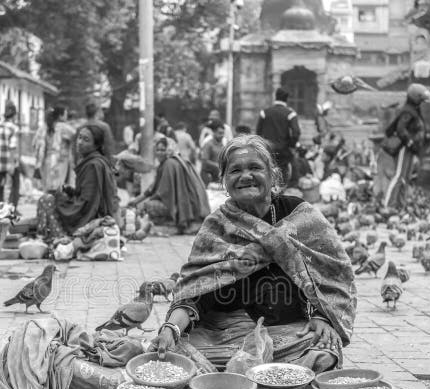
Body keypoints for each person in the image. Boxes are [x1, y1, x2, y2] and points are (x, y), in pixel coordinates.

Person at [150, 134, 356, 373]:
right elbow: (194, 291)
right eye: (235, 170)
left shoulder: (299, 214)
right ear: (224, 181)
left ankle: (236, 376)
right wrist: (171, 329)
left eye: (255, 168)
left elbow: (334, 275)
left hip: (288, 333)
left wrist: (322, 318)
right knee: (171, 352)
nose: (245, 176)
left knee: (322, 350)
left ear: (272, 175)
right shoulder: (216, 226)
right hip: (223, 335)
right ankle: (267, 375)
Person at [36, 125, 118, 239]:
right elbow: (88, 194)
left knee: (46, 200)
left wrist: (61, 198)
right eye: (79, 137)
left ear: (96, 145)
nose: (79, 142)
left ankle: (61, 238)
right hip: (93, 217)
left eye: (86, 140)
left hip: (87, 222)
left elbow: (87, 206)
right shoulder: (95, 161)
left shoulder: (93, 165)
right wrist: (71, 191)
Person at [128, 136, 210, 235]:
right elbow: (151, 188)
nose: (159, 153)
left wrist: (143, 205)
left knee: (148, 206)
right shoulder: (168, 163)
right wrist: (135, 201)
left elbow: (163, 192)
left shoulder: (169, 164)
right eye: (157, 150)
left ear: (168, 150)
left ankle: (171, 223)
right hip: (186, 205)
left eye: (163, 150)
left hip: (182, 205)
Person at [374, 83, 430, 211]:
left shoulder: (413, 110)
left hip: (410, 149)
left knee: (405, 178)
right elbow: (401, 129)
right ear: (415, 98)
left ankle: (400, 206)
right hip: (404, 148)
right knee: (399, 176)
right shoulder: (408, 111)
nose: (422, 102)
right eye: (421, 99)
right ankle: (388, 205)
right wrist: (410, 142)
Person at [256, 87, 301, 183]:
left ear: (275, 97)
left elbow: (258, 133)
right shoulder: (290, 113)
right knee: (283, 175)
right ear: (287, 99)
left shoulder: (264, 112)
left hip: (267, 150)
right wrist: (291, 145)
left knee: (266, 173)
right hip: (283, 151)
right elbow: (296, 132)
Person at [0, 101, 21, 210]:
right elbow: (12, 147)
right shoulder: (14, 128)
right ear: (15, 115)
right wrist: (11, 165)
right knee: (15, 185)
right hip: (9, 161)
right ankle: (13, 208)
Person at [33, 106, 75, 193]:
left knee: (48, 189)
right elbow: (76, 136)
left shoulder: (42, 128)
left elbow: (35, 144)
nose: (66, 117)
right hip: (60, 162)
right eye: (65, 114)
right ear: (60, 116)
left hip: (46, 162)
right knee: (58, 189)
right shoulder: (64, 127)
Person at [199, 119, 224, 186]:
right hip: (207, 175)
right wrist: (216, 165)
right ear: (214, 132)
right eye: (220, 133)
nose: (222, 135)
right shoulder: (208, 144)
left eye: (223, 133)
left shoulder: (222, 145)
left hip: (217, 175)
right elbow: (204, 160)